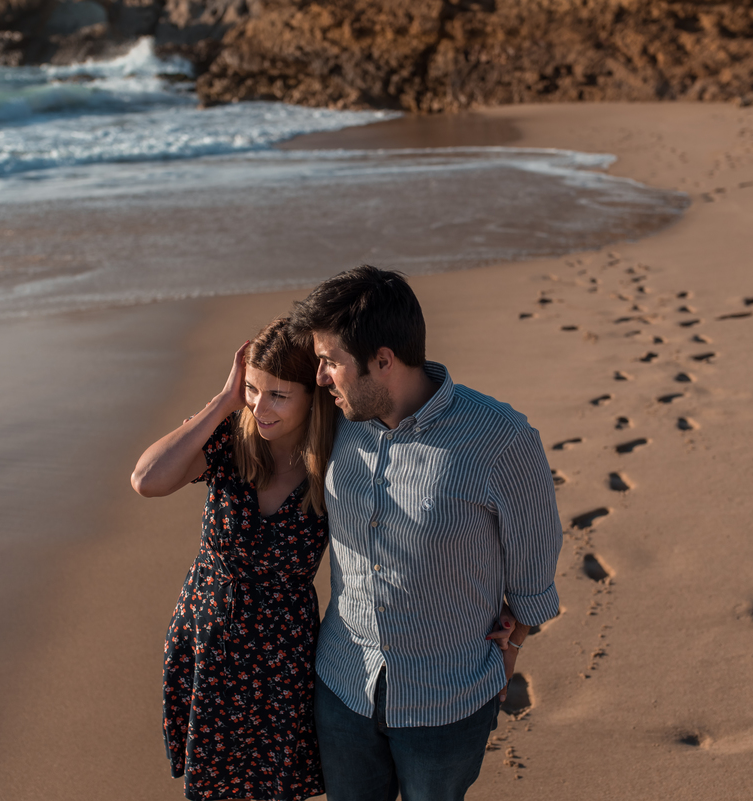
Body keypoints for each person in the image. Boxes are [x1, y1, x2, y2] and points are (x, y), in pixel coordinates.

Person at [289, 266, 563, 801]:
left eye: (330, 362)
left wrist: (516, 642)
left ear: (384, 360)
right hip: (343, 687)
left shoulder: (500, 438)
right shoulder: (331, 422)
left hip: (448, 703)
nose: (320, 377)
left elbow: (533, 562)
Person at [130, 316, 336, 801]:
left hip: (281, 658)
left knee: (273, 788)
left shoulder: (334, 461)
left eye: (278, 395)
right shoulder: (229, 440)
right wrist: (223, 402)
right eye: (252, 389)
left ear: (314, 396)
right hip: (210, 641)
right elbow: (147, 480)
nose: (260, 407)